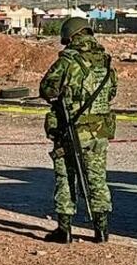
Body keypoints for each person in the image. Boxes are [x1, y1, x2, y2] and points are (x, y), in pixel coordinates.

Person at [39, 17, 117, 244]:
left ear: (70, 36)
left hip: (71, 129)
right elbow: (111, 93)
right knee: (97, 179)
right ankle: (101, 230)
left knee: (66, 178)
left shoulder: (67, 61)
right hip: (98, 131)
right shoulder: (105, 61)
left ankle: (64, 230)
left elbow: (46, 89)